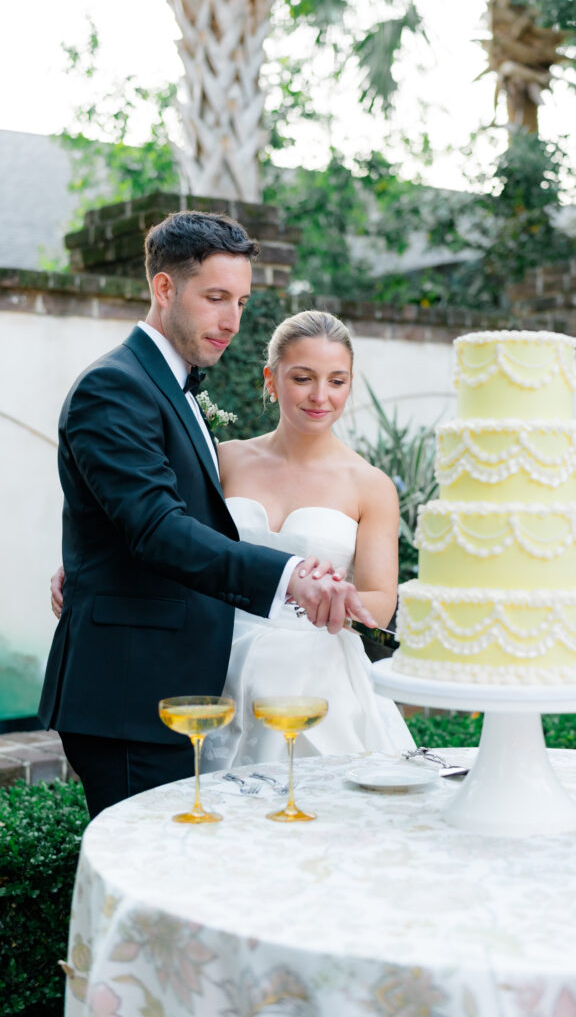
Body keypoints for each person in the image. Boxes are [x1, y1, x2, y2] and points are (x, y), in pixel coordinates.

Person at [39, 211, 376, 819]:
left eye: (242, 301)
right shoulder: (115, 387)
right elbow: (157, 528)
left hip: (182, 689)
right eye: (216, 297)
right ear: (164, 288)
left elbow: (152, 521)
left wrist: (84, 567)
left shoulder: (173, 385)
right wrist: (288, 573)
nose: (232, 321)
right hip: (131, 696)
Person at [204, 309, 414, 766]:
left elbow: (381, 601)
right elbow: (172, 540)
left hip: (317, 677)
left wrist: (338, 597)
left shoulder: (370, 484)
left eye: (337, 381)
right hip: (216, 661)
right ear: (271, 379)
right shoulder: (224, 461)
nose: (321, 396)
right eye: (303, 378)